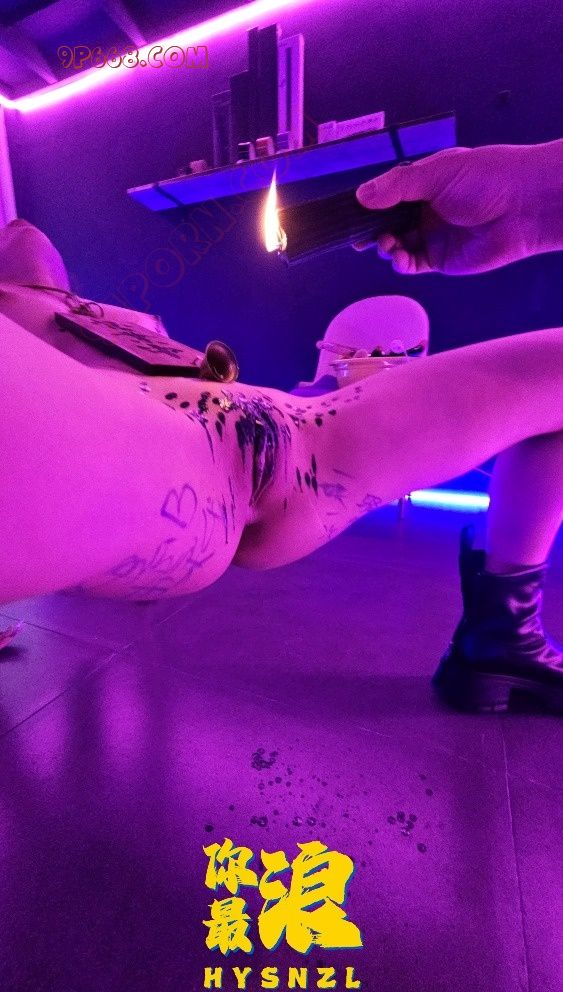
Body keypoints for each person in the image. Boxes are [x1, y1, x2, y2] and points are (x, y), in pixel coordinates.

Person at [0, 139, 561, 714]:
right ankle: (501, 637)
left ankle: (503, 635)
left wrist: (536, 198)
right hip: (230, 451)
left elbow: (24, 243)